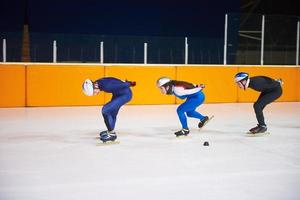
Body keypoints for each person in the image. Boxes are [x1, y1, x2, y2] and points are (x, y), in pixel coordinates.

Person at [82, 77, 136, 142]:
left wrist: (129, 83)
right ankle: (110, 131)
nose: (95, 94)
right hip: (118, 94)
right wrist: (123, 81)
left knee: (105, 110)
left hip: (125, 95)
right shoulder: (98, 82)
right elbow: (111, 79)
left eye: (94, 93)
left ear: (94, 87)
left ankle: (112, 134)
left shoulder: (106, 86)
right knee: (112, 112)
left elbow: (118, 85)